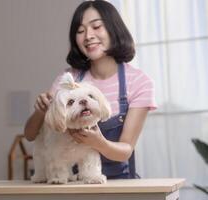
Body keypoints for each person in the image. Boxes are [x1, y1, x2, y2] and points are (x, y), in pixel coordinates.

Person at [24, 0, 157, 179]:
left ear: (113, 29)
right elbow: (30, 135)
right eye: (80, 31)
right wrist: (40, 111)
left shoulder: (139, 82)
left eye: (96, 26)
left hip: (121, 186)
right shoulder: (68, 80)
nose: (88, 36)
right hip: (73, 188)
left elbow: (126, 150)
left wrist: (99, 143)